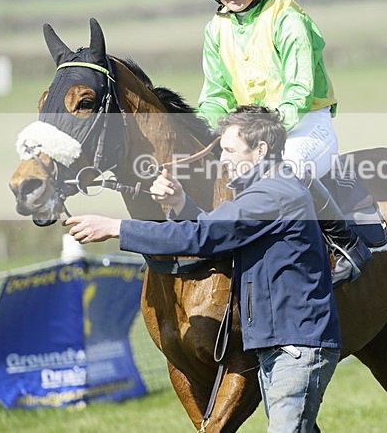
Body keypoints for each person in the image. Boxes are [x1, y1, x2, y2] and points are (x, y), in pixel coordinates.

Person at [65, 105, 340, 432]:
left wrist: (118, 228)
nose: (222, 159)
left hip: (296, 347)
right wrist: (182, 204)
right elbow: (216, 233)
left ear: (261, 150)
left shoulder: (273, 195)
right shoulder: (261, 192)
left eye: (230, 150)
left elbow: (202, 235)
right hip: (280, 345)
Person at [196, 0, 372, 283]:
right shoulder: (216, 29)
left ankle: (347, 243)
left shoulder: (286, 16)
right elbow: (215, 93)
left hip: (306, 124)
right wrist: (206, 130)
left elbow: (299, 90)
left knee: (286, 172)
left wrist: (262, 134)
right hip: (250, 135)